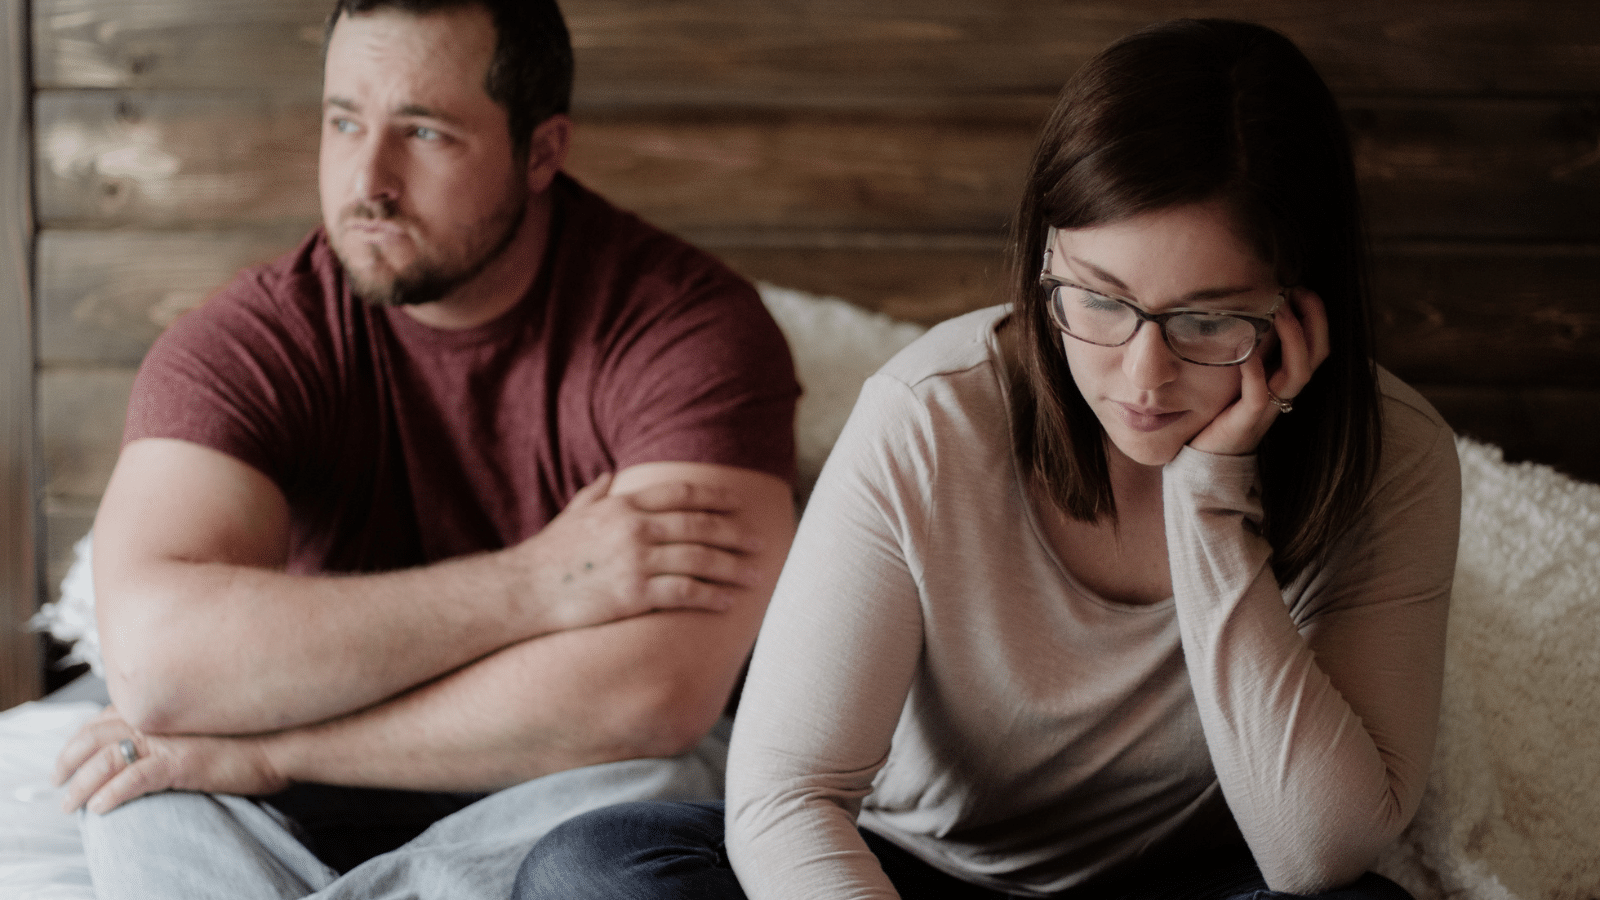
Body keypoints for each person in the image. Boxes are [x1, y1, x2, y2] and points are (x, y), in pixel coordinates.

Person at [511, 18, 1461, 900]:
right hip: (910, 875)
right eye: (1097, 298)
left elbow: (1318, 851)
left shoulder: (1395, 458)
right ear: (1044, 257)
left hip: (1184, 883)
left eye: (1207, 319)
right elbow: (786, 794)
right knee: (588, 870)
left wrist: (1213, 501)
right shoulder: (932, 415)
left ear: (1302, 305)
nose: (1142, 374)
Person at [50, 0, 800, 898]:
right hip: (312, 789)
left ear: (542, 152)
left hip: (547, 774)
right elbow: (160, 667)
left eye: (426, 132)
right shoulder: (249, 341)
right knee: (129, 787)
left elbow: (649, 697)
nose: (369, 178)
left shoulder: (687, 329)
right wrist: (536, 582)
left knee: (668, 782)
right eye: (343, 122)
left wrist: (278, 751)